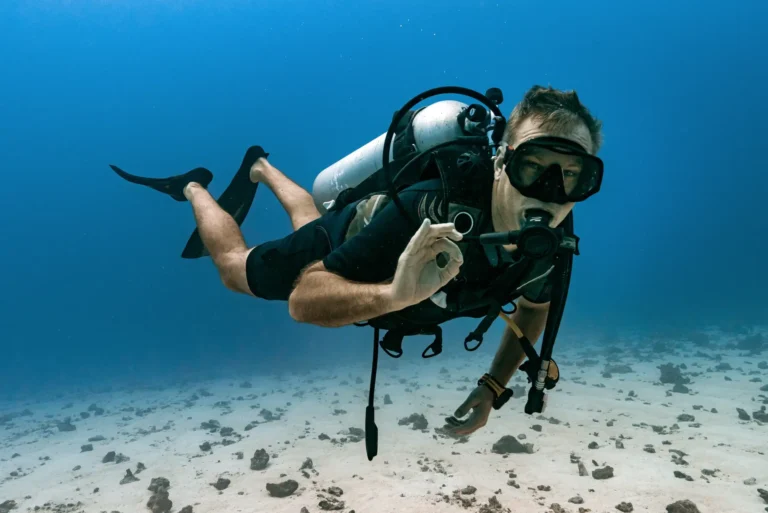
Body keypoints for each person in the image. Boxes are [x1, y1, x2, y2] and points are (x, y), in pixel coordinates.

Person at [111, 85, 604, 438]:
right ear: (502, 161)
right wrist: (392, 295)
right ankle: (192, 186)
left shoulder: (553, 244)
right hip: (355, 238)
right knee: (235, 270)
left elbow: (535, 310)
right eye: (533, 167)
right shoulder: (427, 207)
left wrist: (492, 388)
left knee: (308, 222)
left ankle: (260, 167)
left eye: (572, 177)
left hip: (359, 245)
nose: (549, 194)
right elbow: (303, 300)